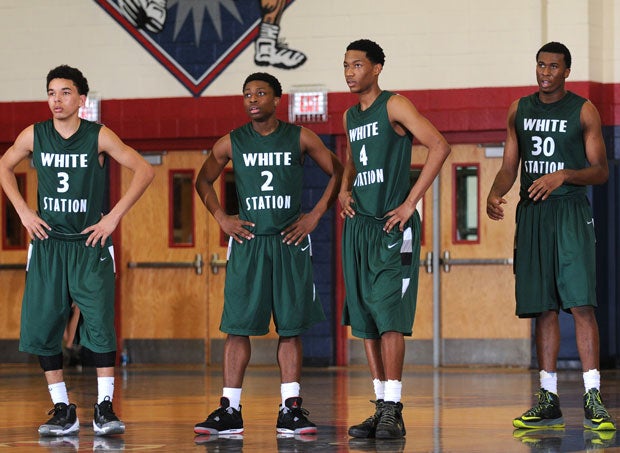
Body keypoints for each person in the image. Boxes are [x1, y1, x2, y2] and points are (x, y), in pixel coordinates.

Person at [0, 65, 155, 437]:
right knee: (43, 325)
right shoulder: (34, 135)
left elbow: (144, 170)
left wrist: (113, 217)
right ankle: (61, 407)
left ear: (81, 99)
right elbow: (4, 167)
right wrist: (23, 212)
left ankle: (104, 406)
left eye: (65, 92)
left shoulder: (98, 136)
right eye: (51, 92)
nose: (57, 99)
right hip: (48, 244)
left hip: (90, 243)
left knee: (99, 324)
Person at [193, 72, 342, 436]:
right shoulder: (232, 141)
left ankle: (290, 408)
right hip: (248, 243)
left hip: (289, 241)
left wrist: (316, 213)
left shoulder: (300, 136)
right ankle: (229, 410)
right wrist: (221, 217)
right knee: (236, 327)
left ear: (278, 99)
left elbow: (339, 170)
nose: (253, 99)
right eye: (247, 94)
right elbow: (202, 180)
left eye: (260, 93)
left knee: (290, 328)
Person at [486, 42, 615, 431]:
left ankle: (593, 396)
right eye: (540, 64)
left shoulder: (583, 110)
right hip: (533, 215)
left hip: (570, 212)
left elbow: (602, 171)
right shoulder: (519, 110)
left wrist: (564, 174)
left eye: (553, 66)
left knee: (580, 304)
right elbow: (510, 165)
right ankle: (548, 397)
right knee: (542, 307)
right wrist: (495, 191)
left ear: (566, 71)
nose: (544, 71)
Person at [339, 39, 450, 440]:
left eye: (357, 65)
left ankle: (395, 408)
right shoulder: (351, 115)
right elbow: (352, 156)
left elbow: (440, 146)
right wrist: (343, 188)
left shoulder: (395, 105)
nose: (350, 72)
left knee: (389, 318)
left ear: (377, 68)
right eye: (346, 66)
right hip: (359, 226)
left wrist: (409, 204)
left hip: (391, 224)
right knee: (365, 318)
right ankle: (381, 405)